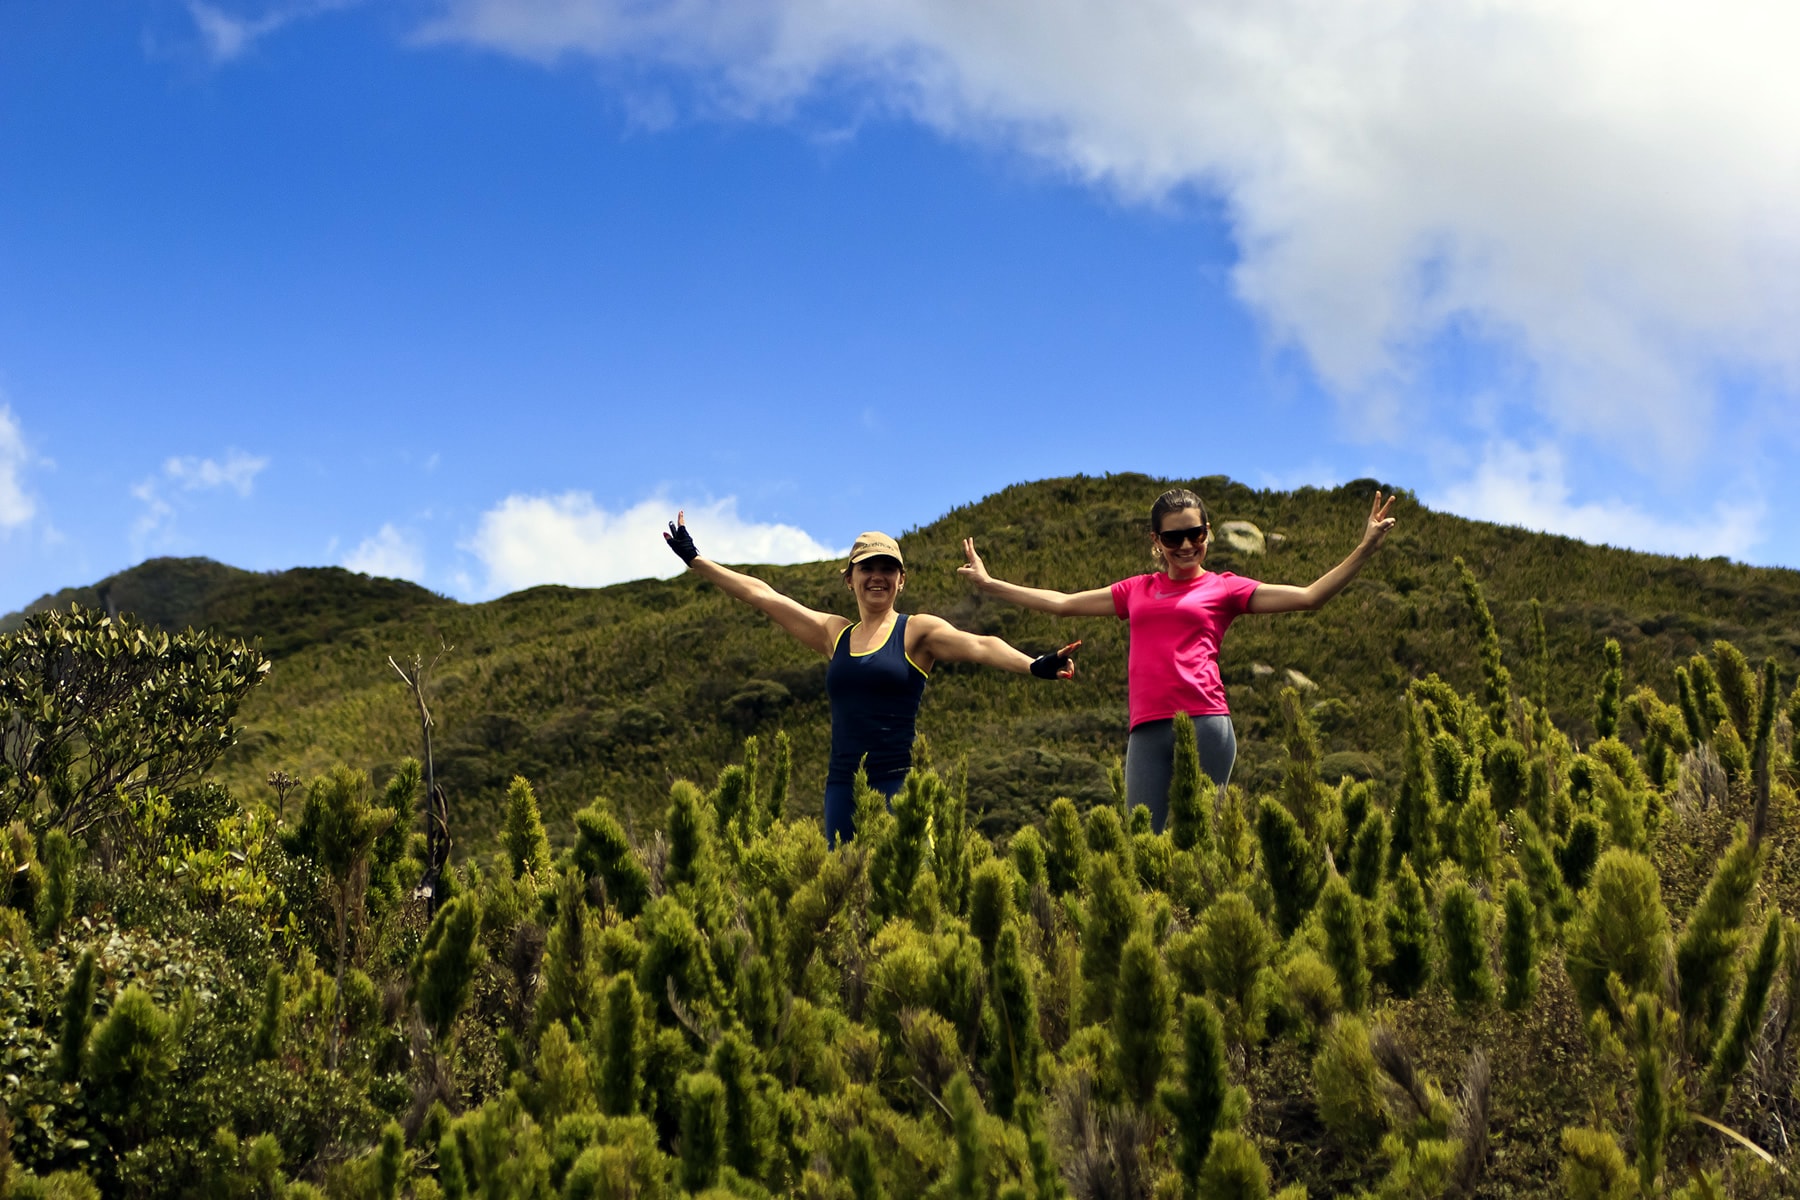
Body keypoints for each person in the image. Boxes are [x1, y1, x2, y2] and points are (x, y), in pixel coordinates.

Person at [958, 487, 1396, 832]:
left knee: (1204, 833)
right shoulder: (1136, 590)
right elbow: (1062, 603)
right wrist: (991, 584)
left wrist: (1366, 548)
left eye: (1196, 534)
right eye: (1173, 537)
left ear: (1208, 532)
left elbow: (1310, 597)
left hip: (1207, 722)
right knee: (1143, 837)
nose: (1186, 545)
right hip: (1146, 728)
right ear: (1156, 541)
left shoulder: (1225, 588)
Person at [664, 512, 1080, 846]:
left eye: (888, 568)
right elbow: (764, 596)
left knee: (911, 895)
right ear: (850, 579)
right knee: (844, 899)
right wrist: (697, 561)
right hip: (841, 790)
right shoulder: (835, 634)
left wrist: (1033, 664)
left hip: (898, 786)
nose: (877, 576)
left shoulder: (916, 631)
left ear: (901, 579)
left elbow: (981, 645)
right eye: (867, 568)